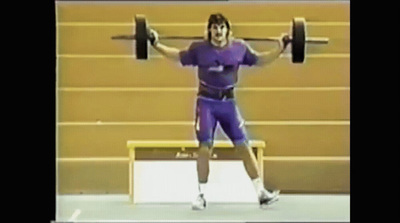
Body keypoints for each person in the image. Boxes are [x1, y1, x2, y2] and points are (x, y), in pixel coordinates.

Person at [146, 13, 289, 210]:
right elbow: (177, 56)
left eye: (222, 27)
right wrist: (155, 44)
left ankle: (260, 192)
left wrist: (281, 48)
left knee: (243, 145)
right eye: (214, 27)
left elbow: (260, 60)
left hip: (228, 104)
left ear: (228, 31)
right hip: (206, 104)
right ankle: (201, 195)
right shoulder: (199, 49)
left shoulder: (239, 48)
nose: (218, 31)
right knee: (205, 147)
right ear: (209, 31)